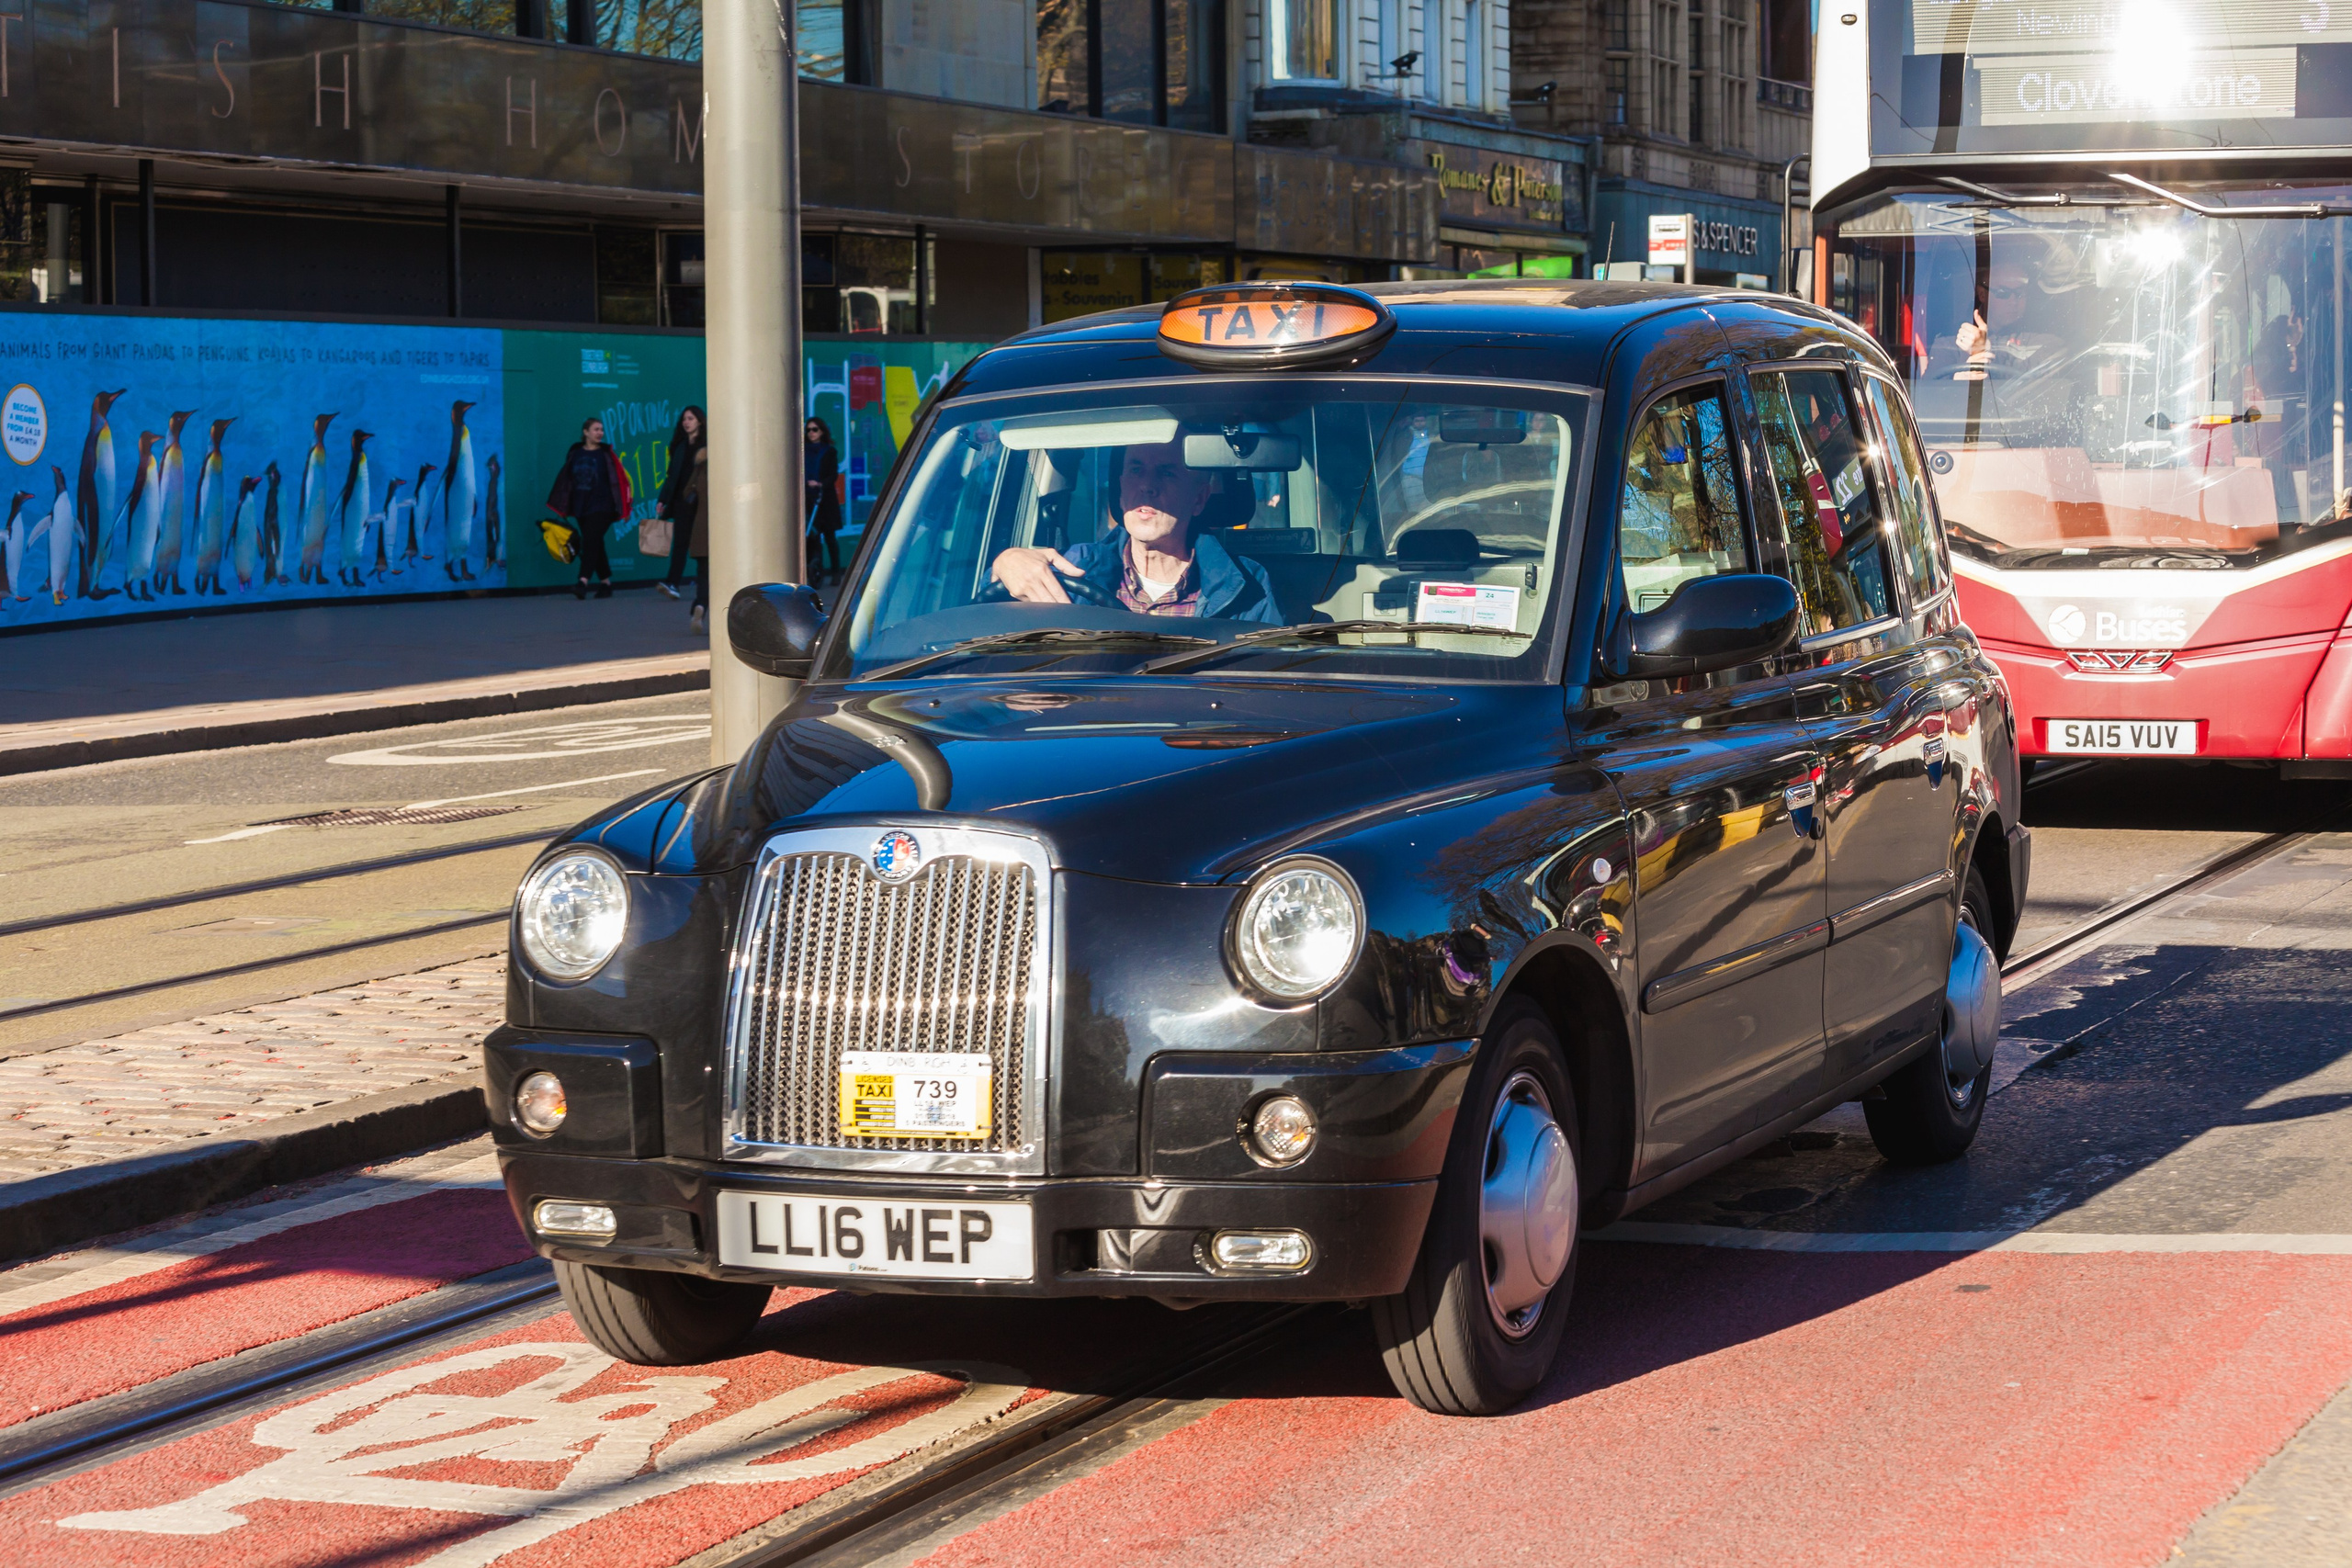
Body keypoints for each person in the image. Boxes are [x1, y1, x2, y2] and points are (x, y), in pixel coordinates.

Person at [988, 437, 1284, 622]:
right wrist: (1006, 563)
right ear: (1120, 490)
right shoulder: (1074, 567)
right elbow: (984, 636)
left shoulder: (1246, 586)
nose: (1147, 485)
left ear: (1199, 499)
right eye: (1135, 469)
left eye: (1166, 472)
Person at [547, 417, 631, 600]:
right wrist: (563, 505)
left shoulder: (606, 454)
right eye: (596, 429)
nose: (600, 433)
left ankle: (582, 582)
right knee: (595, 543)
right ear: (585, 432)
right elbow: (567, 480)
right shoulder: (575, 453)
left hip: (603, 506)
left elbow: (621, 481)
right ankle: (606, 584)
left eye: (601, 430)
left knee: (590, 540)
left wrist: (625, 508)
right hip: (581, 506)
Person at [653, 406, 704, 600]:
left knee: (704, 546)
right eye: (684, 419)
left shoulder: (707, 445)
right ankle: (672, 582)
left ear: (699, 421)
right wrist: (663, 499)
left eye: (690, 418)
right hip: (683, 502)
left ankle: (708, 586)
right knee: (680, 544)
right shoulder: (680, 446)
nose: (686, 422)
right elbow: (671, 476)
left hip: (702, 504)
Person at [805, 417, 843, 582]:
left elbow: (833, 475)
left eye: (815, 430)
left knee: (829, 537)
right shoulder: (802, 451)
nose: (811, 433)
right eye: (808, 430)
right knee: (813, 537)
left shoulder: (829, 451)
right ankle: (815, 573)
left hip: (824, 499)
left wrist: (820, 484)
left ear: (821, 432)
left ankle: (836, 572)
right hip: (808, 498)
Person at [682, 429, 711, 632]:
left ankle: (699, 605)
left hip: (702, 528)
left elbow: (687, 493)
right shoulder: (733, 465)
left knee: (704, 575)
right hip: (728, 530)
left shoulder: (702, 465)